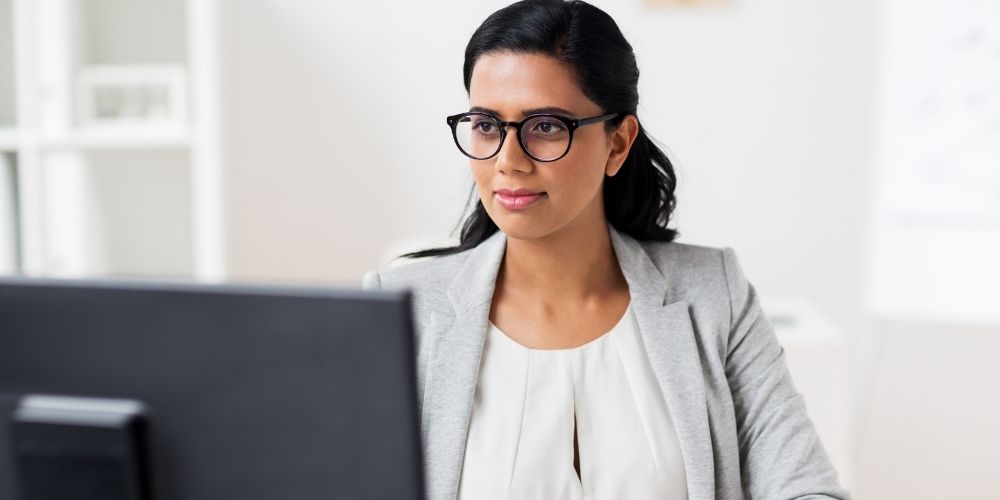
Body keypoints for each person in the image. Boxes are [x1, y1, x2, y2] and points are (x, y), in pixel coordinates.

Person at [363, 1, 850, 499]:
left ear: (618, 143)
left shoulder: (713, 296)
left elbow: (806, 487)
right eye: (487, 125)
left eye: (546, 126)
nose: (508, 161)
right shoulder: (400, 309)